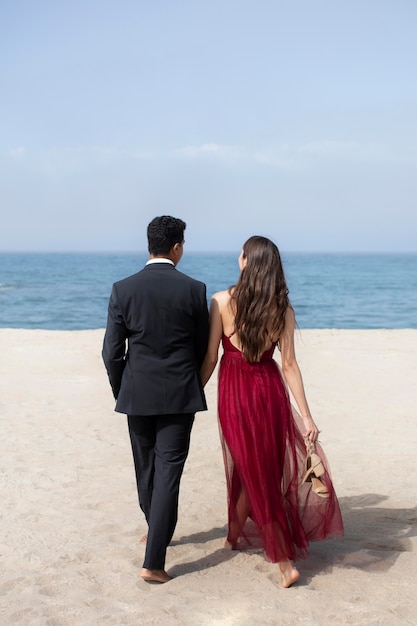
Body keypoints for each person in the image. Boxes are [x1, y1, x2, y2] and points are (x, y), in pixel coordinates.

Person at [200, 236, 343, 588]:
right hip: (269, 391)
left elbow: (210, 358)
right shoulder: (283, 310)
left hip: (235, 394)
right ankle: (234, 535)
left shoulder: (220, 302)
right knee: (257, 468)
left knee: (255, 472)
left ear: (247, 262)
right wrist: (305, 415)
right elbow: (290, 365)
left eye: (241, 254)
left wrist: (193, 396)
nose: (237, 257)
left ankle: (283, 561)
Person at [102, 216, 209, 584]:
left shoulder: (123, 288)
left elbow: (111, 352)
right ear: (177, 247)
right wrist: (189, 381)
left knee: (146, 469)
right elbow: (200, 349)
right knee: (168, 474)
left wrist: (123, 389)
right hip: (180, 394)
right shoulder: (194, 290)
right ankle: (154, 562)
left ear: (149, 245)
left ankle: (156, 531)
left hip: (138, 393)